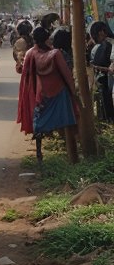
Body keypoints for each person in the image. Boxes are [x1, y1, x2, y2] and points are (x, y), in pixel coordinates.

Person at [18, 24, 79, 166]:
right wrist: (73, 91)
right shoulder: (56, 54)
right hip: (59, 92)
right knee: (67, 121)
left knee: (39, 124)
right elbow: (66, 74)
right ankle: (71, 152)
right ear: (46, 39)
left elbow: (26, 76)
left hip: (41, 95)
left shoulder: (31, 54)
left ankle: (39, 153)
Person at [89, 20, 114, 124]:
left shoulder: (107, 45)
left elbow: (110, 68)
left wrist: (96, 67)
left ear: (100, 33)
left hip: (105, 79)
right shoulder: (106, 44)